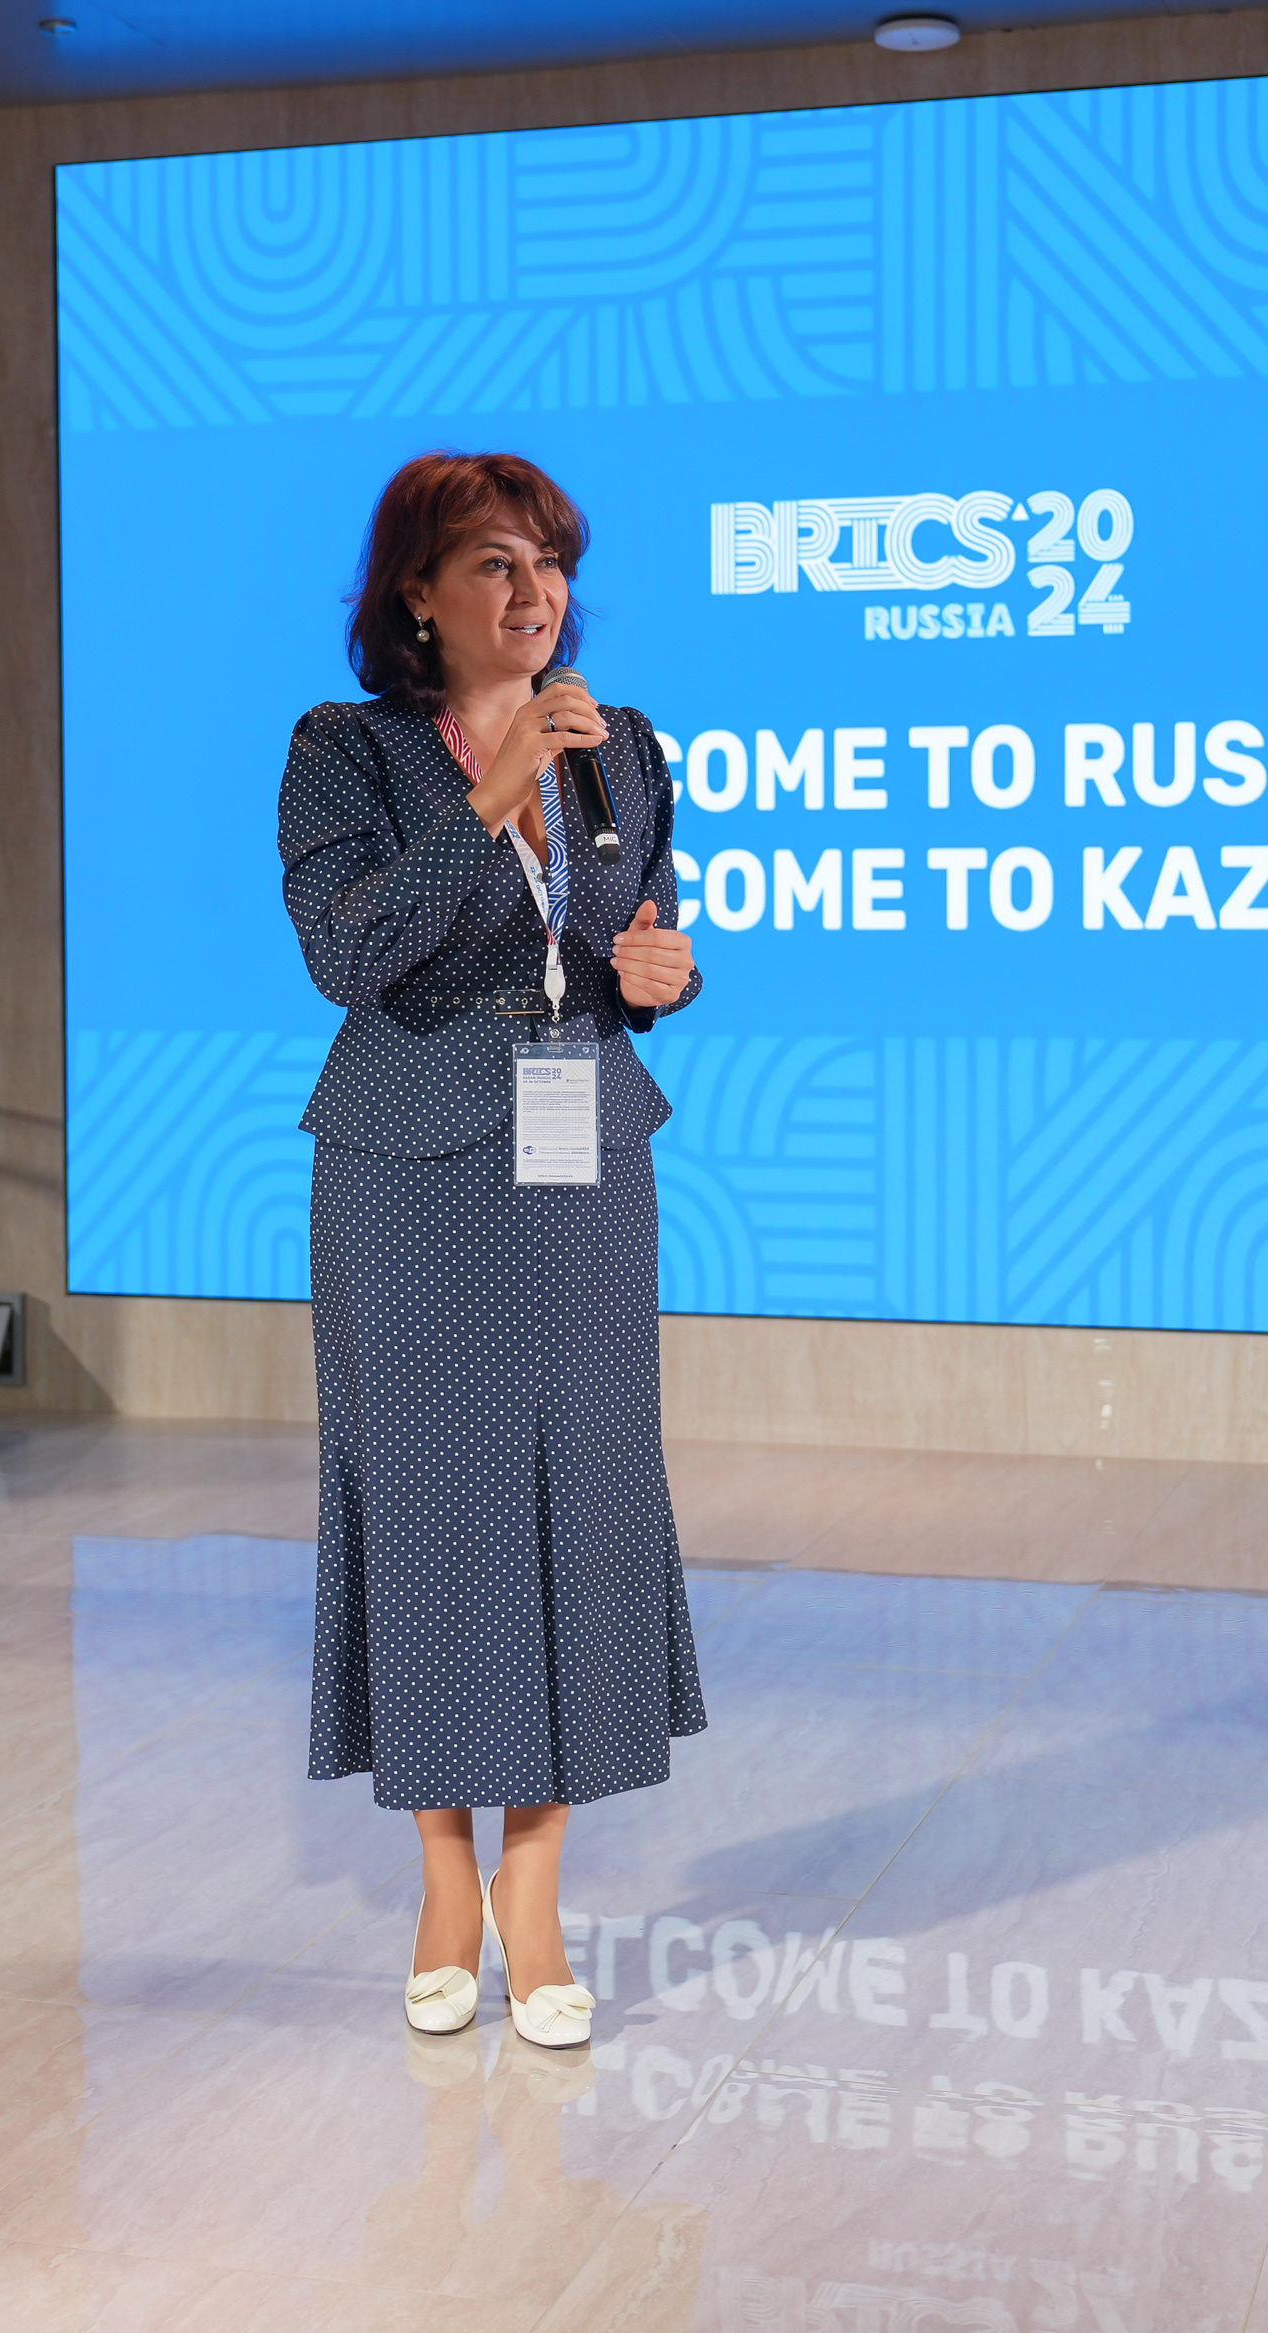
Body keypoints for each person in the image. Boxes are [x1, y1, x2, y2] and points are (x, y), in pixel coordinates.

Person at [279, 451, 706, 2051]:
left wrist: (663, 975)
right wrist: (488, 791)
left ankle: (536, 1890)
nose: (536, 596)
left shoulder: (625, 747)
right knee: (439, 1511)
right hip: (407, 1164)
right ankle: (444, 1881)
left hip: (582, 1155)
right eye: (496, 566)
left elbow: (628, 940)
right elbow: (351, 954)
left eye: (551, 565)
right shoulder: (347, 752)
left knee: (578, 1502)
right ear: (418, 593)